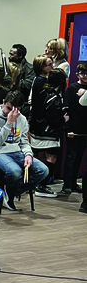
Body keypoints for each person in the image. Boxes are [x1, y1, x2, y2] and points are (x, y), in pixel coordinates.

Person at [0, 90, 49, 211]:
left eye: (16, 110)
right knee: (15, 171)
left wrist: (28, 155)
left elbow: (24, 141)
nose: (12, 113)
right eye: (9, 108)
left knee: (43, 170)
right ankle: (8, 191)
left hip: (17, 151)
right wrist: (9, 123)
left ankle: (11, 191)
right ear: (4, 102)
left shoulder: (22, 119)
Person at [27, 55, 63, 194]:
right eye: (49, 64)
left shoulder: (38, 80)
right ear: (41, 67)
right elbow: (46, 108)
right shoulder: (42, 83)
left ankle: (40, 183)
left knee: (42, 154)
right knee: (49, 156)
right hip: (45, 126)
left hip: (38, 124)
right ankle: (42, 183)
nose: (52, 66)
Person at [62, 61, 87, 196]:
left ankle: (73, 182)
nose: (85, 76)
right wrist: (68, 128)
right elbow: (66, 109)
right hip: (73, 128)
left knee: (79, 157)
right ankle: (67, 184)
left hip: (84, 129)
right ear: (77, 74)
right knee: (71, 156)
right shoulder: (71, 88)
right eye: (82, 73)